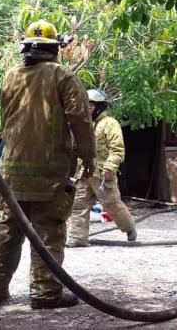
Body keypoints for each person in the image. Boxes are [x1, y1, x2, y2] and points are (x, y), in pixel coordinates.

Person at [0, 20, 96, 309]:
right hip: (50, 174)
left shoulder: (11, 76)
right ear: (55, 50)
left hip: (11, 172)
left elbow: (7, 120)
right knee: (49, 230)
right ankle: (45, 294)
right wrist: (89, 157)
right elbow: (80, 120)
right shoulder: (62, 76)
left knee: (8, 230)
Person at [65, 89, 137, 247]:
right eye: (86, 105)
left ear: (99, 106)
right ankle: (77, 238)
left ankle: (129, 227)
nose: (87, 108)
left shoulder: (110, 123)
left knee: (111, 204)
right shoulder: (84, 125)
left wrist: (110, 166)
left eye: (90, 105)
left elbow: (117, 149)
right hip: (84, 173)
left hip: (102, 174)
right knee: (78, 205)